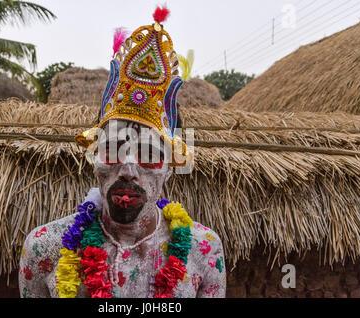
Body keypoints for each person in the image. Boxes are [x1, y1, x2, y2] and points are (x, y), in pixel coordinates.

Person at [19, 6, 226, 298]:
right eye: (113, 150)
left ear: (170, 165)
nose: (129, 170)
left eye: (148, 156)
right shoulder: (45, 247)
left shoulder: (203, 250)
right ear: (93, 157)